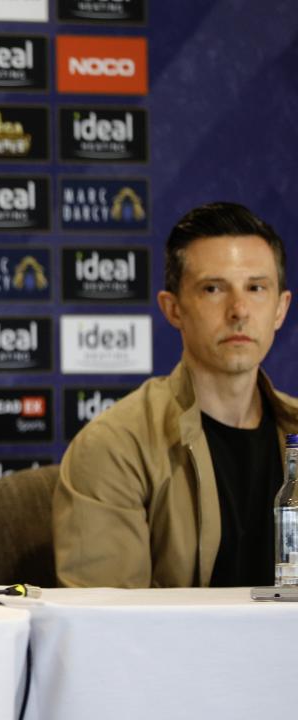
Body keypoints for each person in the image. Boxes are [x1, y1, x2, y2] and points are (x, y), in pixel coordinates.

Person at [54, 201, 298, 588]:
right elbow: (108, 630)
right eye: (213, 289)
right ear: (173, 309)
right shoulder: (115, 447)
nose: (239, 310)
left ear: (281, 309)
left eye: (256, 288)